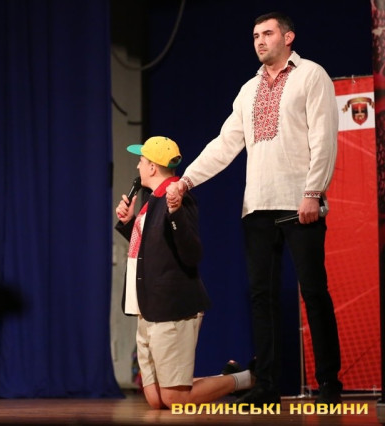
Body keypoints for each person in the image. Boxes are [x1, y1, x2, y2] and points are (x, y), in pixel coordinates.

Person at [166, 12, 342, 407]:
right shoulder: (249, 89)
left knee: (314, 292)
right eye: (255, 36)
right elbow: (225, 143)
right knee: (262, 297)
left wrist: (313, 192)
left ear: (288, 37)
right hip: (258, 205)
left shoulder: (311, 75)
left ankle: (329, 384)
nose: (260, 41)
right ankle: (267, 385)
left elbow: (325, 137)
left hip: (299, 202)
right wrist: (187, 180)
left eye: (267, 33)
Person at [115, 136, 254, 409]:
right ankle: (229, 376)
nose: (138, 167)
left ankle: (248, 379)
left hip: (171, 308)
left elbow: (191, 253)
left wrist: (176, 213)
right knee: (156, 399)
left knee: (175, 399)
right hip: (148, 306)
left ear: (153, 167)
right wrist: (129, 222)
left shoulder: (178, 198)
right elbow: (152, 250)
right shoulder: (152, 201)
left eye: (141, 161)